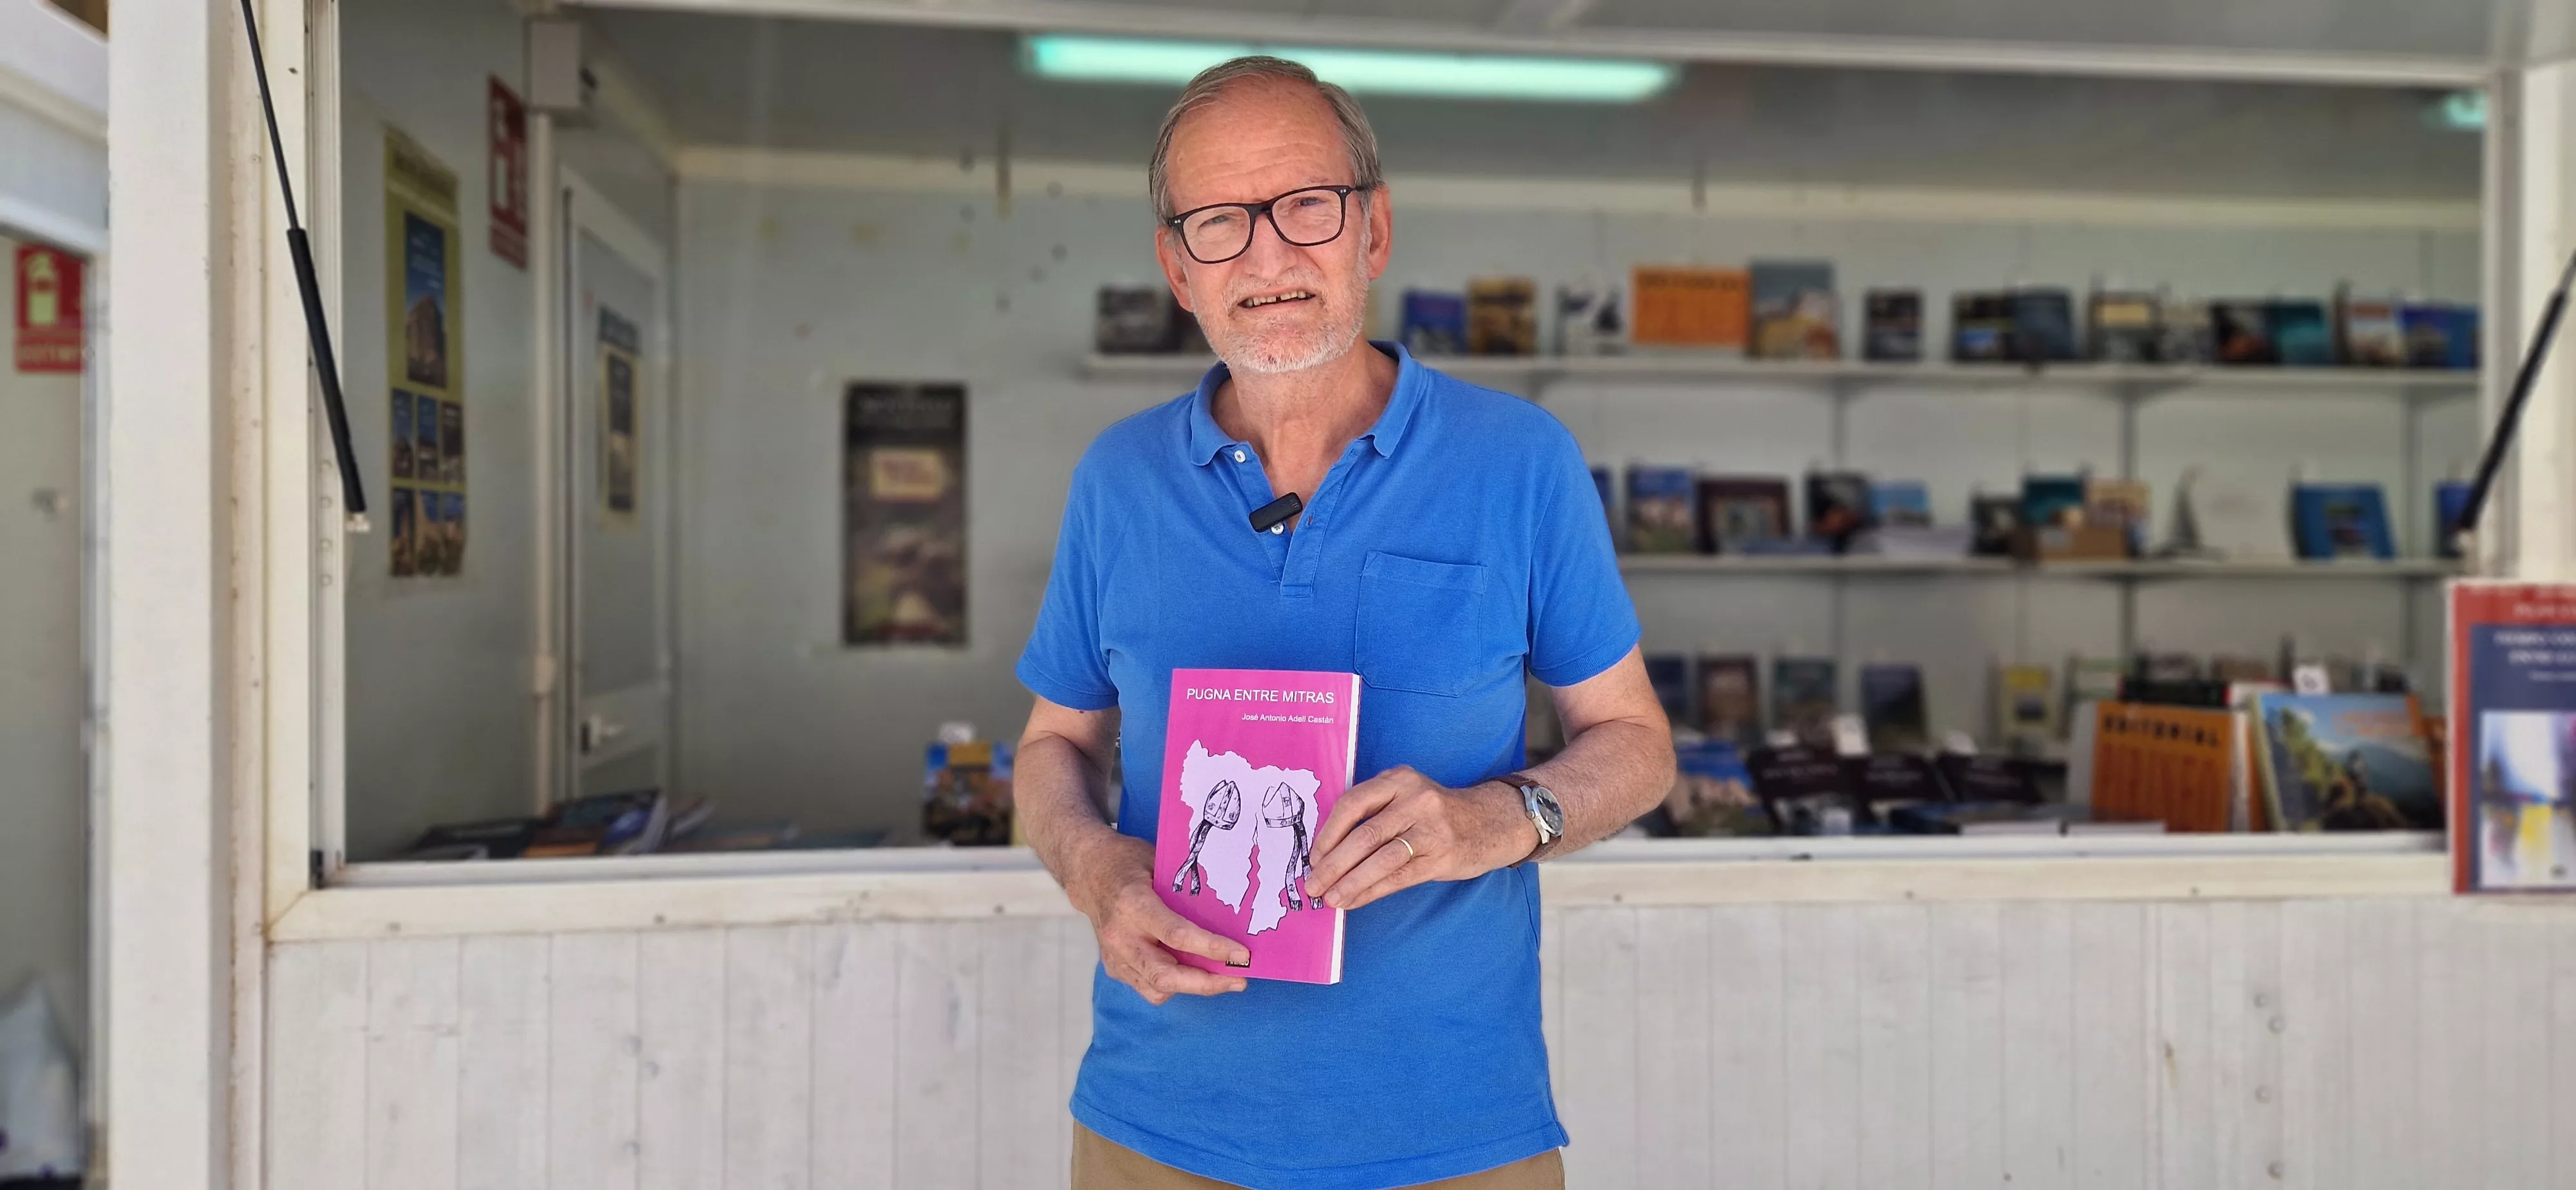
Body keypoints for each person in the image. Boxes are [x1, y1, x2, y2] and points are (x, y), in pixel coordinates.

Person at [1013, 55, 1674, 1190]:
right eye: (1220, 221)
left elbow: (1639, 744)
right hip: (1156, 1132)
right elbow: (1050, 747)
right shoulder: (1116, 481)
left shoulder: (1519, 463)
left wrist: (1500, 818)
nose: (1268, 256)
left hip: (1456, 1136)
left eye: (1306, 207)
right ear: (1179, 268)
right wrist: (1094, 872)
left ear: (1373, 230)